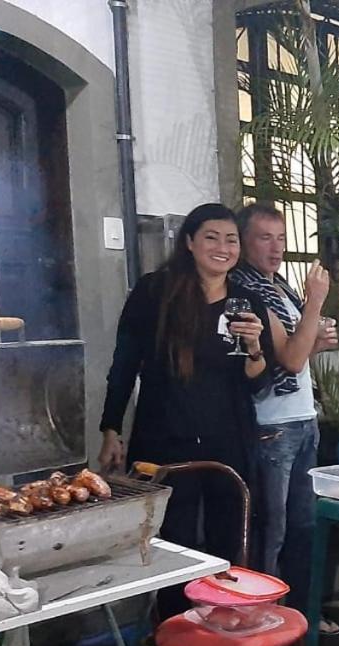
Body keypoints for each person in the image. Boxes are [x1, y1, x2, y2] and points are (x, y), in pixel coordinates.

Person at [99, 202, 274, 597]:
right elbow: (125, 364)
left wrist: (254, 348)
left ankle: (224, 637)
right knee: (173, 543)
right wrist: (111, 427)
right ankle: (178, 645)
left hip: (228, 440)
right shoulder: (154, 291)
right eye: (211, 237)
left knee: (228, 539)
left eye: (231, 240)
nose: (223, 247)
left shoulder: (247, 302)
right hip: (166, 439)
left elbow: (259, 385)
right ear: (190, 242)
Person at [231, 202, 339, 635]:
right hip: (271, 425)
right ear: (244, 242)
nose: (276, 248)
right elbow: (291, 360)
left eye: (280, 238)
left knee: (303, 525)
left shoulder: (278, 286)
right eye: (264, 237)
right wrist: (315, 302)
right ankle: (261, 620)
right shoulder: (247, 290)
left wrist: (314, 335)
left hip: (302, 417)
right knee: (270, 530)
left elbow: (296, 352)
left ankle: (300, 615)